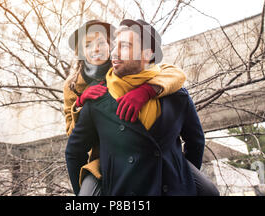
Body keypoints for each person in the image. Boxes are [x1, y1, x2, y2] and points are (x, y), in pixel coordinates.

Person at [65, 19, 219, 195]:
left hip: (168, 174)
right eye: (88, 45)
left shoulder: (173, 92)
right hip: (107, 161)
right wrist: (79, 104)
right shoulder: (79, 87)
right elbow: (74, 145)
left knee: (210, 191)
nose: (98, 50)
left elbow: (174, 73)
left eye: (104, 43)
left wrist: (148, 90)